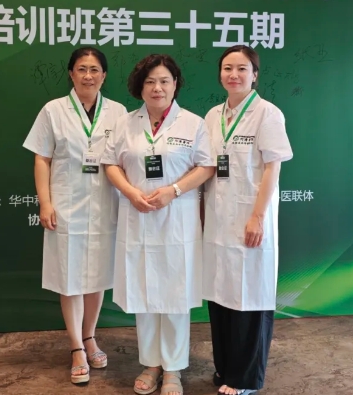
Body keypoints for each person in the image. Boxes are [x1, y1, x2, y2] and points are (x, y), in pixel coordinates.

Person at [101, 54, 215, 395]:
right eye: (150, 81)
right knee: (145, 291)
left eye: (164, 80)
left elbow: (207, 166)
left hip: (177, 219)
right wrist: (130, 192)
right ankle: (151, 364)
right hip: (137, 216)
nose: (157, 88)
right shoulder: (125, 123)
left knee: (175, 295)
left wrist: (174, 190)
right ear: (140, 87)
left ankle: (174, 369)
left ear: (175, 84)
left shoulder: (193, 123)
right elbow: (110, 163)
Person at [22, 47, 127, 385]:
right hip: (66, 207)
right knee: (69, 278)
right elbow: (42, 158)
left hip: (105, 206)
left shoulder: (118, 112)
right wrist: (45, 203)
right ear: (71, 73)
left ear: (104, 76)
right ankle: (76, 348)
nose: (88, 76)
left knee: (96, 276)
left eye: (95, 70)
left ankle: (90, 336)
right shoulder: (53, 110)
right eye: (82, 69)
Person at [202, 45, 293, 395]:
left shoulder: (267, 113)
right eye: (227, 68)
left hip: (250, 218)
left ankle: (245, 379)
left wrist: (257, 216)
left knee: (250, 297)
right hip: (218, 220)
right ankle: (225, 368)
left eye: (242, 68)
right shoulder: (213, 115)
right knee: (221, 294)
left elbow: (273, 168)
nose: (234, 75)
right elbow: (208, 167)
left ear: (255, 75)